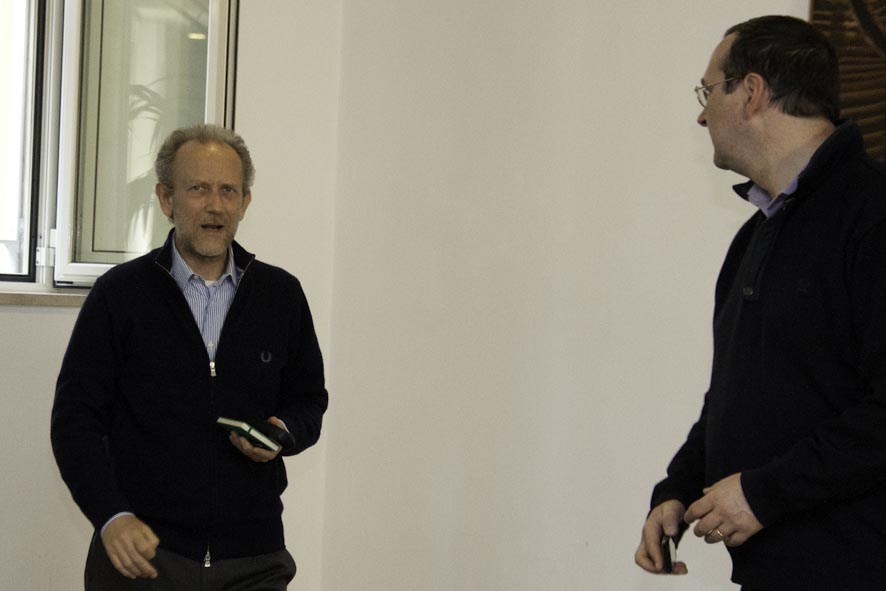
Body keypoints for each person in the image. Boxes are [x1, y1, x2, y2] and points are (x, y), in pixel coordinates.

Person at [634, 15, 886, 591]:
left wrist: (763, 493)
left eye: (708, 92)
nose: (702, 116)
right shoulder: (754, 237)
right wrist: (678, 489)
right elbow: (737, 395)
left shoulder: (873, 215)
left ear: (751, 92)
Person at [51, 124, 328, 590]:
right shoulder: (119, 295)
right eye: (198, 188)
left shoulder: (281, 295)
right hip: (144, 559)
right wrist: (111, 516)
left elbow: (309, 400)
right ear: (166, 199)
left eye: (228, 191)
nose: (215, 205)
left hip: (254, 560)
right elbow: (74, 422)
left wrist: (282, 431)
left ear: (244, 203)